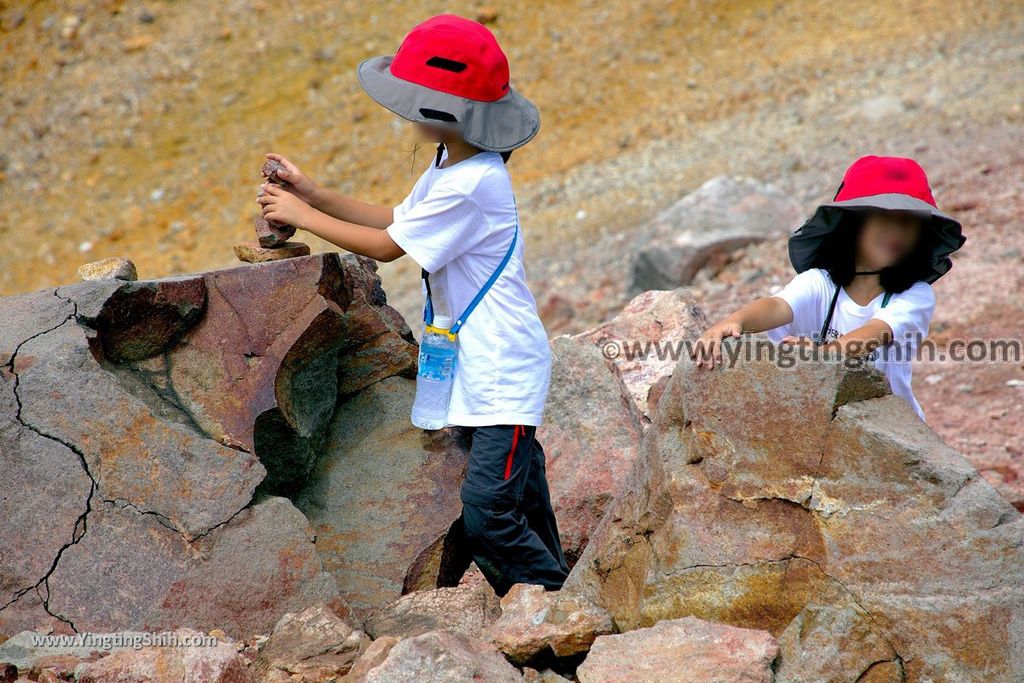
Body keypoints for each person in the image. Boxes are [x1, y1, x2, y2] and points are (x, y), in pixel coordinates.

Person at [257, 14, 568, 594]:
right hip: (478, 365)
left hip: (502, 369)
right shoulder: (451, 164)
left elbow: (387, 248)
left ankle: (558, 610)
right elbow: (399, 221)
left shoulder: (475, 183)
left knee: (488, 515)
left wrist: (302, 219)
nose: (406, 114)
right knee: (521, 494)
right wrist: (312, 193)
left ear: (446, 111)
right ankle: (566, 599)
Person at [693, 156, 965, 421]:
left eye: (907, 221)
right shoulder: (820, 282)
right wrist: (734, 321)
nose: (896, 231)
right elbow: (778, 305)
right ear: (853, 224)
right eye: (883, 217)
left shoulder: (915, 295)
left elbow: (877, 332)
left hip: (894, 430)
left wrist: (822, 355)